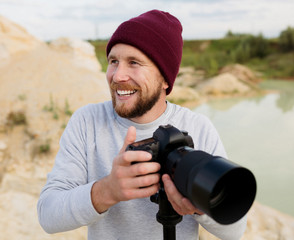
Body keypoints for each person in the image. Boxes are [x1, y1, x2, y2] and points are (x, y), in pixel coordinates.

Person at [37, 9, 247, 240]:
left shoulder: (197, 126)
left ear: (166, 79)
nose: (118, 76)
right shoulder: (87, 122)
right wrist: (107, 190)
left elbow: (235, 230)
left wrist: (198, 207)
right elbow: (48, 215)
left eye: (134, 62)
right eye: (113, 61)